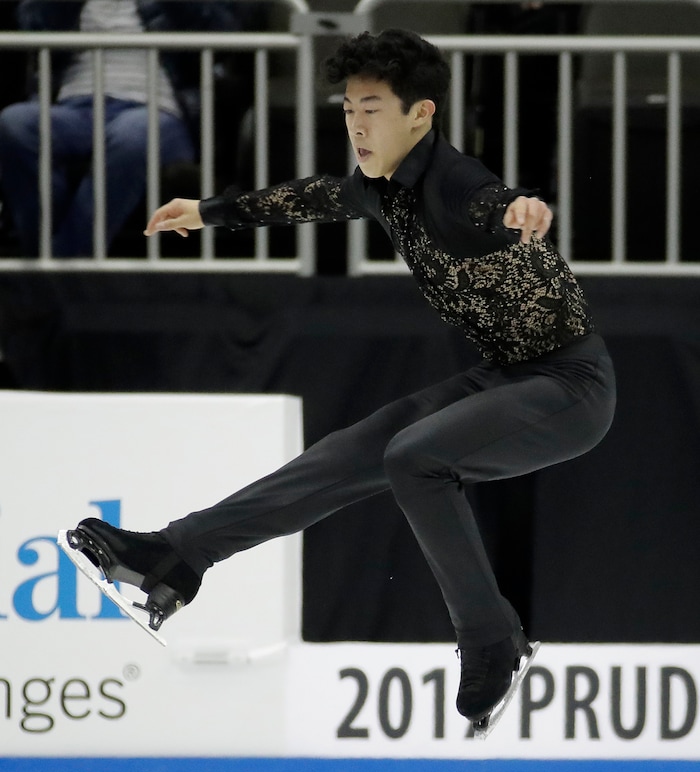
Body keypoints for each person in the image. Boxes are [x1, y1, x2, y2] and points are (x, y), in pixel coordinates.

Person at [65, 29, 616, 727]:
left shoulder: (452, 180)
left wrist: (519, 210)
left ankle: (490, 637)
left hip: (571, 387)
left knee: (414, 458)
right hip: (503, 376)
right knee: (351, 453)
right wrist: (209, 212)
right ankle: (177, 558)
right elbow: (320, 197)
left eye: (374, 107)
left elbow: (489, 200)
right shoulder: (379, 186)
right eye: (350, 107)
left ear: (420, 114)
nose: (357, 122)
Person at [0, 0, 257, 257]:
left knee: (133, 133)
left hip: (157, 111)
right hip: (73, 108)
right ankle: (56, 263)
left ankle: (57, 265)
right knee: (16, 122)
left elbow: (222, 29)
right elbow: (32, 25)